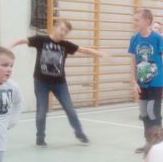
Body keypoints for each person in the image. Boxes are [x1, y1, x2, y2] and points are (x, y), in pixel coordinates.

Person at [10, 18, 106, 146]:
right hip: (41, 82)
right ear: (55, 27)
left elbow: (84, 50)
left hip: (59, 83)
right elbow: (23, 40)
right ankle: (40, 138)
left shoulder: (66, 45)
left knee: (70, 109)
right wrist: (9, 46)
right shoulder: (41, 40)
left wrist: (101, 54)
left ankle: (80, 134)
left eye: (66, 32)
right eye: (61, 29)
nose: (62, 33)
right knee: (41, 111)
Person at [129, 8, 163, 153]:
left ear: (147, 21)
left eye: (137, 20)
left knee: (153, 112)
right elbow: (133, 61)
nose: (135, 22)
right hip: (142, 82)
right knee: (144, 113)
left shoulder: (157, 38)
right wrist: (134, 81)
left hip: (156, 82)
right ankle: (148, 142)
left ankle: (159, 143)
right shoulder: (134, 38)